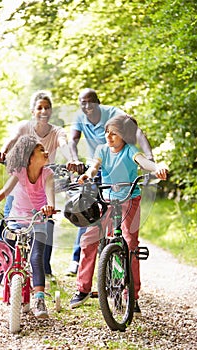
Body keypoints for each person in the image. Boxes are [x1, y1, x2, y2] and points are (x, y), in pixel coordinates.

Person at [69, 115, 168, 312]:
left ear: (125, 135)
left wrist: (157, 168)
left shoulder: (131, 150)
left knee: (130, 243)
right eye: (107, 132)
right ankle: (83, 289)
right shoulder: (102, 150)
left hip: (129, 200)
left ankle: (131, 294)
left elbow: (143, 162)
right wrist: (88, 175)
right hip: (107, 200)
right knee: (89, 240)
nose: (109, 136)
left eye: (114, 133)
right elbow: (94, 167)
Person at [65, 88, 154, 275]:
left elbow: (136, 131)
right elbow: (73, 140)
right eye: (82, 102)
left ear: (98, 102)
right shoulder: (80, 117)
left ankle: (118, 264)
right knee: (87, 212)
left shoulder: (113, 113)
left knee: (122, 231)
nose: (86, 106)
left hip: (119, 168)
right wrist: (76, 160)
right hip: (96, 166)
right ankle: (77, 260)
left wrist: (150, 157)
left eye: (90, 101)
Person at [0, 90, 75, 279]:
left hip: (42, 181)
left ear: (51, 111)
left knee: (46, 220)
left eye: (47, 107)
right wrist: (2, 152)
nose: (43, 111)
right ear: (33, 111)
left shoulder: (57, 131)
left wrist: (71, 160)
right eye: (39, 108)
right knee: (8, 220)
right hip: (22, 181)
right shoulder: (24, 127)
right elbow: (11, 140)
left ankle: (44, 268)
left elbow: (64, 144)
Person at [0, 135, 55, 318]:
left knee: (36, 258)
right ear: (29, 158)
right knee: (2, 258)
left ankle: (40, 300)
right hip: (16, 220)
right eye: (41, 150)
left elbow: (50, 195)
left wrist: (49, 207)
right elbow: (5, 191)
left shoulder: (48, 174)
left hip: (38, 222)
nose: (46, 152)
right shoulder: (19, 172)